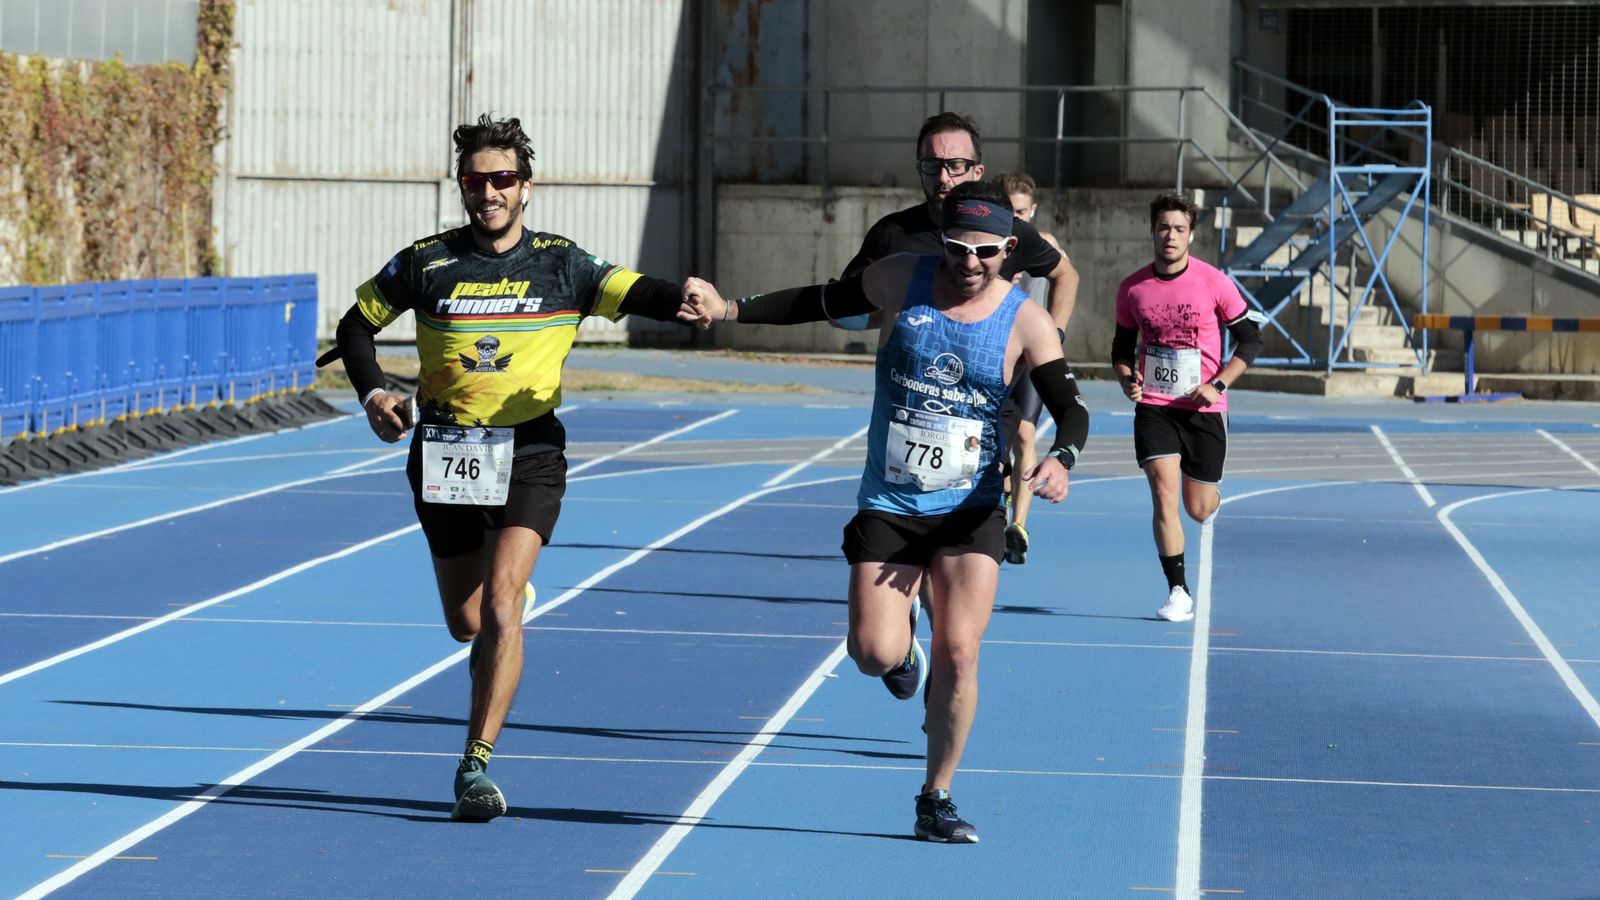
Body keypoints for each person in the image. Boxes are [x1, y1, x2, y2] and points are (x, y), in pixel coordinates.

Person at [679, 181, 1091, 844]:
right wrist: (729, 307)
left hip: (969, 508)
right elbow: (818, 301)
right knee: (873, 652)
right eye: (958, 249)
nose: (970, 263)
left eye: (986, 252)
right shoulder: (902, 277)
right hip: (892, 503)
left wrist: (1062, 457)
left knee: (960, 650)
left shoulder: (1025, 320)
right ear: (942, 242)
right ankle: (902, 658)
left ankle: (937, 795)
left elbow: (1071, 408)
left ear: (1009, 249)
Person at [329, 114, 693, 822]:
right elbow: (354, 325)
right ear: (462, 186)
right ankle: (504, 619)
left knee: (500, 601)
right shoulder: (427, 263)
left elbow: (636, 290)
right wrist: (373, 391)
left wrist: (686, 296)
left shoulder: (563, 263)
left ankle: (475, 766)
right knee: (468, 623)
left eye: (502, 179)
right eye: (475, 180)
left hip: (530, 450)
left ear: (526, 187)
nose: (488, 192)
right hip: (444, 451)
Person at [1111, 193, 1261, 622]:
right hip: (1155, 407)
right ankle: (1178, 589)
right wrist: (1127, 379)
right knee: (1163, 494)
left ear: (1191, 235)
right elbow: (1121, 350)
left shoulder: (1214, 281)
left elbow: (1251, 339)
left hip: (1204, 409)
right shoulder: (1132, 289)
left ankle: (1212, 497)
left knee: (1198, 509)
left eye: (1179, 229)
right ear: (1152, 231)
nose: (1170, 235)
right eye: (1163, 227)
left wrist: (1218, 384)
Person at [994, 172, 1063, 564]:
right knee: (995, 445)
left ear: (1033, 211)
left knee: (1024, 434)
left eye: (1022, 212)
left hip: (1030, 360)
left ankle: (1017, 527)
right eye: (1009, 212)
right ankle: (999, 497)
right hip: (994, 355)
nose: (1016, 219)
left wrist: (1057, 334)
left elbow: (1068, 279)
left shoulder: (1043, 246)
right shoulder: (991, 247)